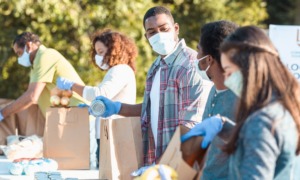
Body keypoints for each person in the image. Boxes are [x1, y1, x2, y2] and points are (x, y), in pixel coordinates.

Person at [91, 6, 212, 166]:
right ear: (146, 36)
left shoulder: (190, 65)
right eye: (152, 32)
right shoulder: (156, 67)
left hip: (181, 165)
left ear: (176, 29)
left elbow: (191, 127)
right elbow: (151, 110)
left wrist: (162, 165)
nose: (159, 35)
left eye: (164, 29)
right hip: (157, 160)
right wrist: (118, 108)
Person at [182, 26, 300, 179]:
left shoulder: (262, 120)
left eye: (229, 71)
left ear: (248, 65)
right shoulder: (280, 106)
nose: (228, 79)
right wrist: (224, 126)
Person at [56, 29, 138, 167]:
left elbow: (100, 93)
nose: (98, 57)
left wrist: (71, 85)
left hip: (115, 134)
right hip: (109, 133)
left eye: (101, 52)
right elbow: (108, 100)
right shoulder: (117, 71)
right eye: (96, 53)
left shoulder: (120, 70)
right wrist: (93, 108)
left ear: (113, 49)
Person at [194, 20, 238, 179]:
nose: (196, 56)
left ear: (209, 59)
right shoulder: (214, 89)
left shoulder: (245, 99)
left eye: (198, 50)